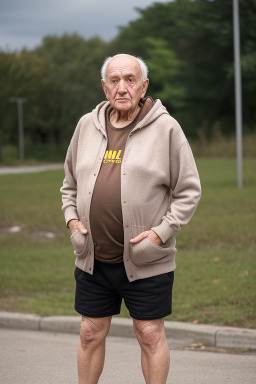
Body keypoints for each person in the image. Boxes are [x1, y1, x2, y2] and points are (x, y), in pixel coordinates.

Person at [60, 53, 201, 384]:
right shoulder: (86, 125)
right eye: (114, 80)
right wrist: (71, 220)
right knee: (89, 333)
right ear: (104, 86)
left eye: (130, 80)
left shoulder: (166, 128)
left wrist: (160, 234)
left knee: (150, 335)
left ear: (143, 86)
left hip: (145, 259)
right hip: (93, 258)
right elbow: (69, 185)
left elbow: (189, 191)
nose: (122, 87)